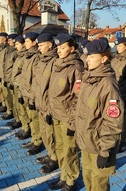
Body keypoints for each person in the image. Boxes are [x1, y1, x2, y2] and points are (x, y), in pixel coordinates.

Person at [75, 38, 124, 191]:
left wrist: (105, 151)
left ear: (103, 59)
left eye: (91, 56)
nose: (87, 60)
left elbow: (113, 122)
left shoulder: (107, 85)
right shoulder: (89, 79)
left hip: (99, 146)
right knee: (88, 179)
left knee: (99, 185)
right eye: (87, 56)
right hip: (86, 142)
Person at [48, 34, 83, 191]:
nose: (59, 50)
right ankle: (64, 175)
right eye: (58, 47)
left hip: (67, 117)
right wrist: (50, 110)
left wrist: (73, 122)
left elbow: (78, 98)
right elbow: (52, 91)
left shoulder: (76, 68)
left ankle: (71, 181)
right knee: (60, 148)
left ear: (72, 49)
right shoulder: (57, 64)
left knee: (69, 150)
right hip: (56, 114)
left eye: (63, 47)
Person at [32, 33, 59, 173]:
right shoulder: (42, 60)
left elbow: (53, 90)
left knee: (50, 134)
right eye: (38, 45)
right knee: (44, 132)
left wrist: (49, 109)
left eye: (41, 45)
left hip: (48, 107)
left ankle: (55, 159)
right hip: (40, 104)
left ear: (50, 44)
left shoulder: (55, 61)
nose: (39, 48)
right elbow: (38, 84)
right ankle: (50, 154)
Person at [9, 35, 26, 129]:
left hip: (21, 87)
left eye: (17, 44)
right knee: (18, 106)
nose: (15, 46)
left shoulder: (24, 57)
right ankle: (19, 121)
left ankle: (26, 128)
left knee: (23, 109)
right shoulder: (19, 55)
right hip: (16, 84)